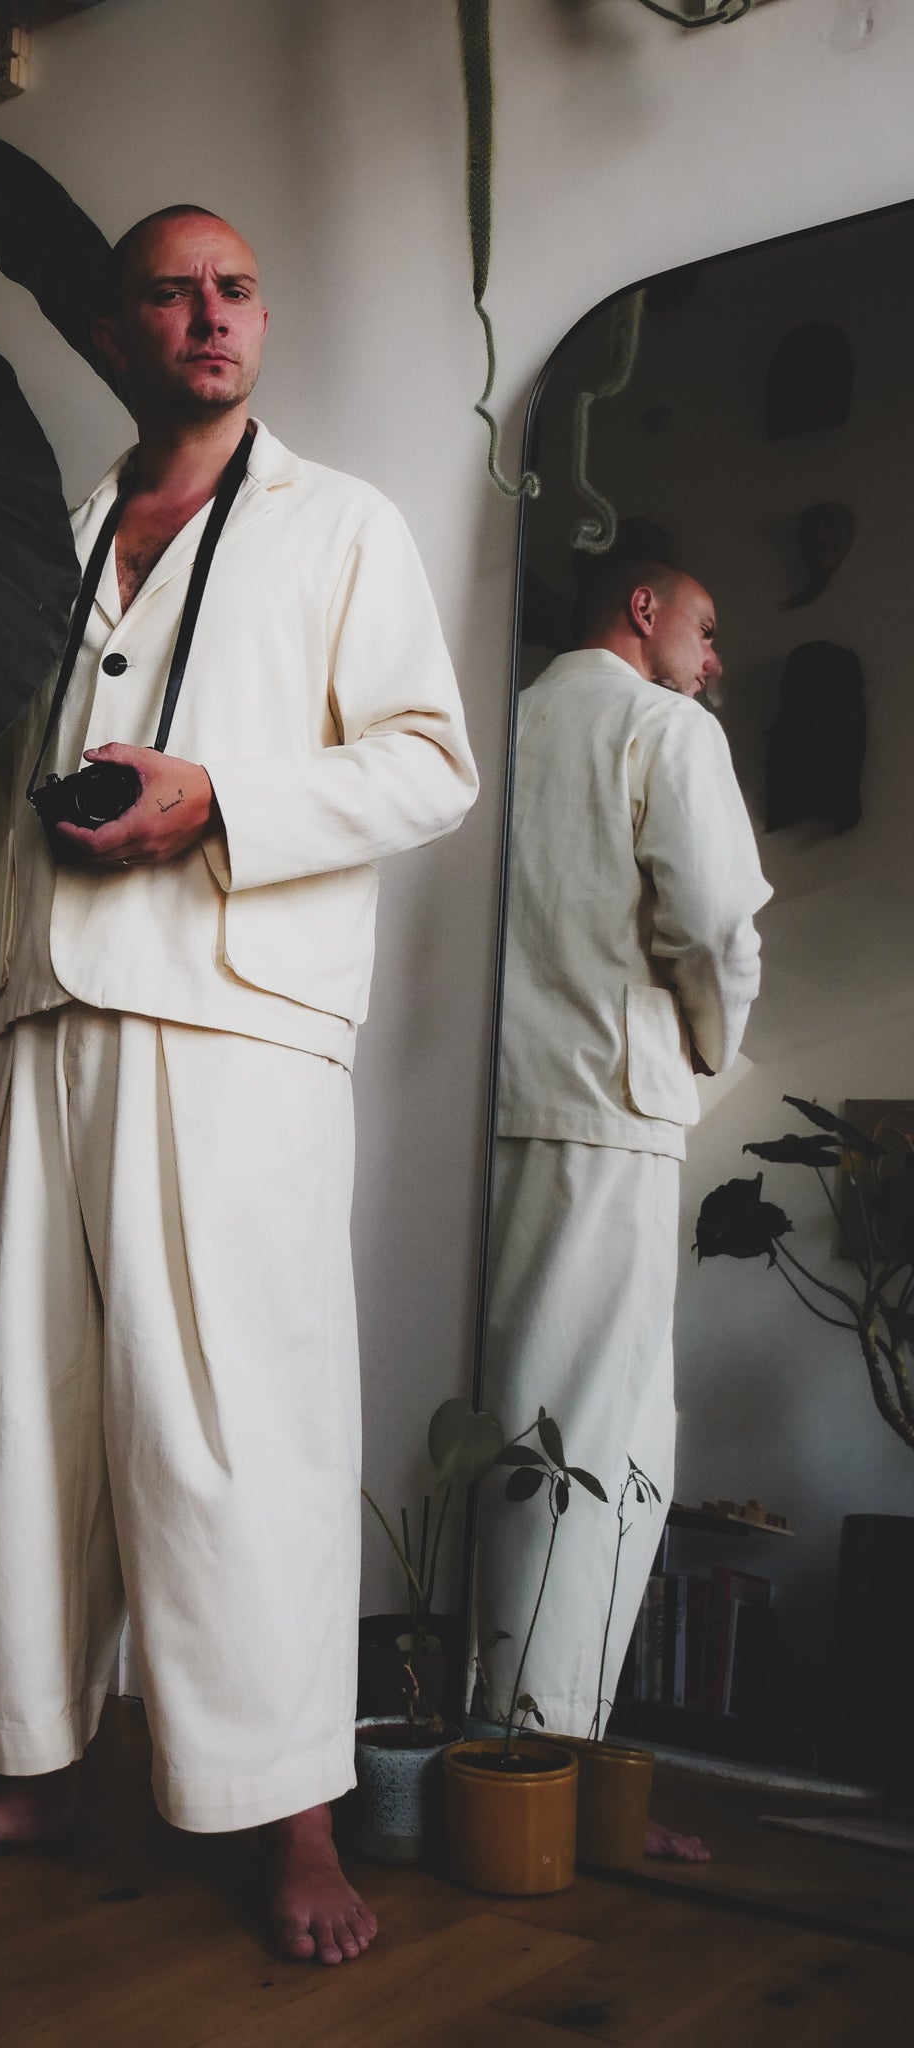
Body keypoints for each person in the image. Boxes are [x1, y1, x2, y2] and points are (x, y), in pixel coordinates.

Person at [0, 205, 478, 1964]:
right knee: (14, 1428)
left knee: (237, 1435)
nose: (210, 315)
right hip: (45, 1026)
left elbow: (433, 767)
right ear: (112, 332)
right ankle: (35, 1770)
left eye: (238, 288)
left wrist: (225, 803)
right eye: (170, 292)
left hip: (236, 1028)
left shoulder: (339, 525)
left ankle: (295, 1821)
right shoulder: (46, 551)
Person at [477, 556, 770, 1860]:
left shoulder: (497, 723)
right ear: (644, 608)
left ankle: (475, 1753)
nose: (714, 662)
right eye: (706, 631)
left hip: (474, 1114)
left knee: (488, 1431)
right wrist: (709, 1051)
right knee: (589, 1448)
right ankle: (552, 1776)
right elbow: (714, 925)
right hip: (607, 1106)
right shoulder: (663, 729)